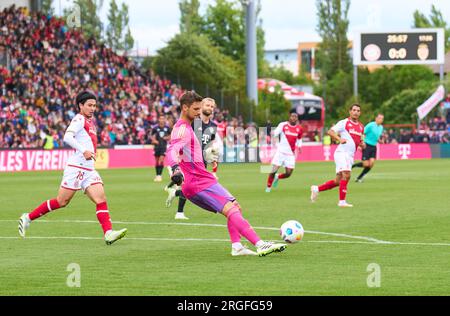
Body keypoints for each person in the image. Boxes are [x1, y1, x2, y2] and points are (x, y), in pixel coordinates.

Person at [166, 91, 286, 256]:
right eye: (195, 108)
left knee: (235, 207)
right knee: (232, 209)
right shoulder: (183, 129)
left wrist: (205, 156)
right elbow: (172, 149)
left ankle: (237, 246)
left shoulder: (188, 126)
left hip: (199, 179)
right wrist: (174, 168)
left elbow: (186, 151)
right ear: (185, 108)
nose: (198, 111)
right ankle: (260, 244)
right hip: (198, 181)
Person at [18, 91, 127, 245]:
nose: (93, 108)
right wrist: (84, 150)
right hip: (77, 167)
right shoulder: (79, 119)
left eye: (94, 105)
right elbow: (67, 137)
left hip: (89, 169)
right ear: (80, 105)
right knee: (62, 201)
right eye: (89, 105)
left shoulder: (90, 122)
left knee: (101, 198)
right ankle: (27, 217)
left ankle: (108, 233)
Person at [165, 97, 220, 220]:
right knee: (189, 185)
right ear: (201, 107)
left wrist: (212, 157)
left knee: (195, 188)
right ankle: (179, 212)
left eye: (212, 106)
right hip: (188, 159)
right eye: (207, 105)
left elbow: (210, 144)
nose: (209, 108)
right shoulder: (193, 122)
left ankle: (174, 192)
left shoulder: (213, 126)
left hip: (202, 160)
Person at [310, 104, 365, 208]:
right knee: (347, 175)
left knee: (338, 181)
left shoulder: (361, 127)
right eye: (354, 110)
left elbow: (360, 140)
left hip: (350, 156)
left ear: (360, 113)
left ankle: (316, 189)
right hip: (341, 153)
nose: (356, 112)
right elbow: (330, 131)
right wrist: (339, 139)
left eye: (358, 110)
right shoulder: (344, 123)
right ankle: (342, 202)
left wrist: (362, 144)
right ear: (350, 111)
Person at [265, 111, 303, 193]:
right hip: (281, 152)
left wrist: (299, 146)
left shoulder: (299, 128)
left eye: (295, 116)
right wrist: (273, 133)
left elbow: (299, 139)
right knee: (273, 170)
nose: (293, 118)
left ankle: (277, 177)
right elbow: (276, 132)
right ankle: (268, 187)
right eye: (292, 116)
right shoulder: (283, 125)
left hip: (290, 154)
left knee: (288, 173)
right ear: (289, 117)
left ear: (297, 118)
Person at [352, 113, 384, 182]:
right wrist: (361, 143)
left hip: (374, 147)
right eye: (379, 118)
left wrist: (380, 141)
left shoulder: (381, 127)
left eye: (382, 118)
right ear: (376, 118)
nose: (381, 120)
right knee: (366, 164)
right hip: (366, 145)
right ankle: (353, 165)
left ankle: (359, 178)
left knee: (371, 164)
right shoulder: (371, 125)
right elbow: (362, 133)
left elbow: (376, 136)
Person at [151, 115, 171, 182]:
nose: (162, 120)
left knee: (161, 160)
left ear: (164, 120)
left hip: (163, 147)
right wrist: (154, 140)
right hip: (157, 147)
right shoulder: (155, 128)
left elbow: (171, 135)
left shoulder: (167, 128)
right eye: (160, 118)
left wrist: (167, 138)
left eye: (163, 118)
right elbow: (152, 136)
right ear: (158, 120)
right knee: (157, 161)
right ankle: (157, 175)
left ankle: (160, 175)